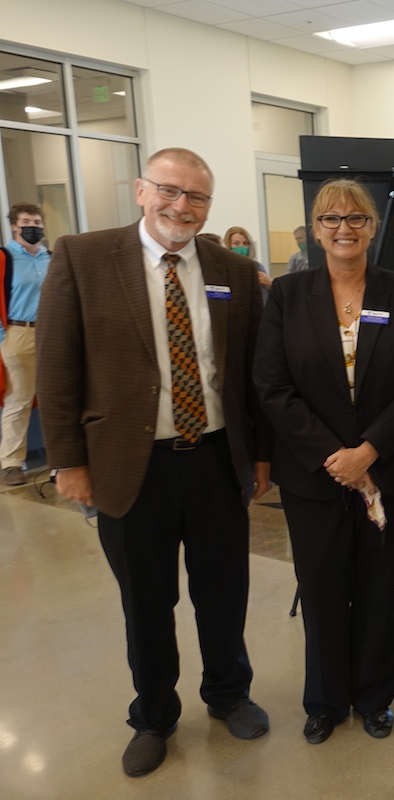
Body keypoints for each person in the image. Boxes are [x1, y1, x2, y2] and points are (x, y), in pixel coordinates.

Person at [36, 147, 273, 777]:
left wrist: (261, 456)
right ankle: (155, 715)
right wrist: (68, 461)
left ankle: (228, 693)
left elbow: (249, 375)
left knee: (223, 591)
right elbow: (56, 367)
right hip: (127, 464)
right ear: (142, 190)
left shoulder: (233, 270)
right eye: (170, 190)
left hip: (217, 458)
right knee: (146, 599)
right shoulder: (83, 257)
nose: (181, 206)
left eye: (197, 197)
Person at [255, 178, 394, 745]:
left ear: (372, 227)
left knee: (377, 587)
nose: (343, 228)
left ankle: (375, 697)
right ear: (315, 228)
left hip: (385, 472)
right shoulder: (286, 293)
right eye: (331, 219)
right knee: (322, 587)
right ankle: (325, 699)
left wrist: (370, 449)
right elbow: (271, 385)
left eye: (355, 219)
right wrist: (335, 456)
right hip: (313, 475)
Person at [1, 202, 51, 486]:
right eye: (27, 222)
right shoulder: (5, 258)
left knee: (56, 398)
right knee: (19, 399)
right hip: (18, 333)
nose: (33, 227)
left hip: (51, 334)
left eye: (37, 222)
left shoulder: (51, 257)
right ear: (14, 226)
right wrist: (3, 337)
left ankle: (61, 461)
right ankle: (11, 463)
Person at [224, 225, 272, 295]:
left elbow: (266, 295)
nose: (242, 247)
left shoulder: (257, 266)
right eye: (236, 243)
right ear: (228, 245)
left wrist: (271, 284)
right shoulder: (223, 268)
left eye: (245, 243)